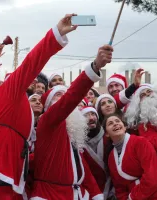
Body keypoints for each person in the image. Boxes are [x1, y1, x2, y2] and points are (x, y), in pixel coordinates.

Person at [0, 14, 76, 199]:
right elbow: (31, 64)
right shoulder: (9, 90)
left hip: (12, 173)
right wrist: (56, 34)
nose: (33, 80)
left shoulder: (1, 100)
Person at [31, 44, 113, 200]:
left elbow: (82, 168)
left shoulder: (70, 129)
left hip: (77, 194)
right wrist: (95, 67)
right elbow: (70, 98)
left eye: (64, 93)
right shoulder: (48, 120)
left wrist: (96, 194)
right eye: (58, 95)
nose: (63, 97)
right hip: (52, 195)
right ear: (48, 105)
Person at [103, 113, 157, 200]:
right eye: (110, 123)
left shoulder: (140, 142)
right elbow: (119, 187)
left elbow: (153, 176)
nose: (115, 124)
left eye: (117, 121)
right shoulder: (111, 158)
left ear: (124, 127)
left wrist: (132, 197)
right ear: (107, 134)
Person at [81, 106, 112, 199]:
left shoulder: (110, 137)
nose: (91, 118)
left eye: (93, 114)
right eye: (86, 115)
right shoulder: (78, 144)